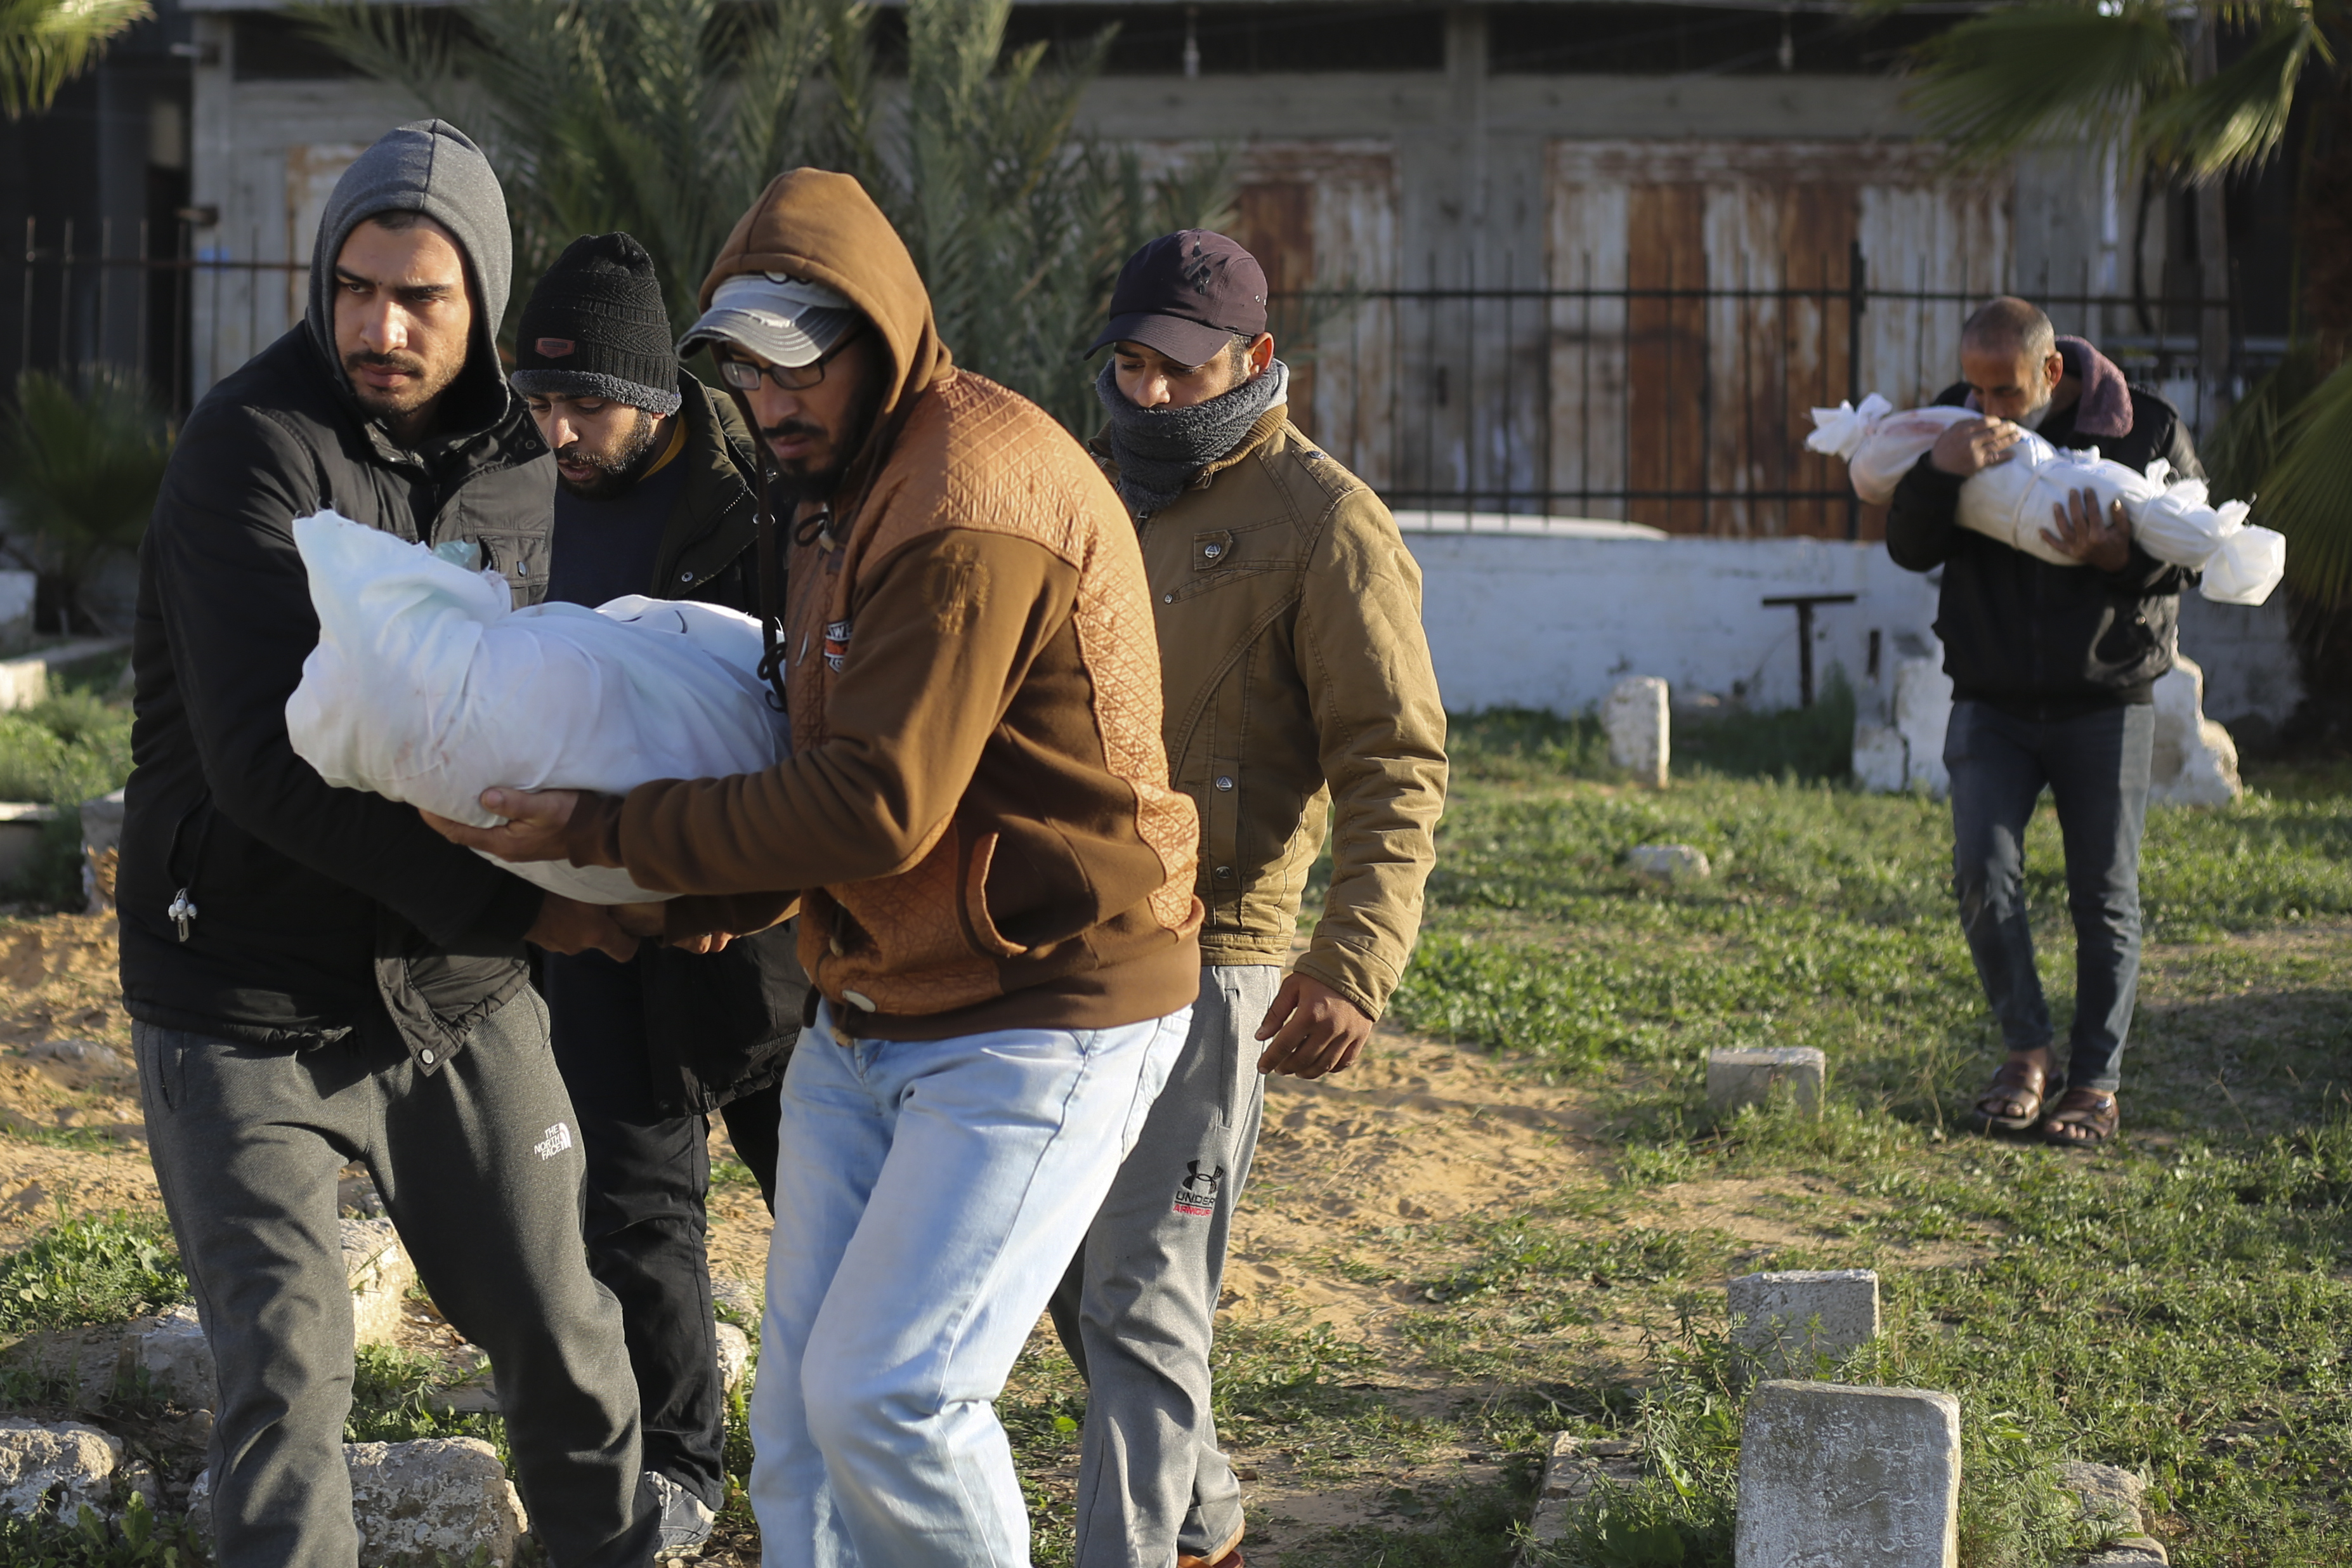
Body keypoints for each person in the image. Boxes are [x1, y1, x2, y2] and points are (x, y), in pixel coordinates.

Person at [424, 168, 1203, 1568]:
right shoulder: (828, 491)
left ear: (882, 337)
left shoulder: (968, 498)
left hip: (1044, 1005)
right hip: (877, 998)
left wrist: (600, 835)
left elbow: (876, 805)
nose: (771, 403)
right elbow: (808, 752)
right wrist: (673, 903)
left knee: (892, 1400)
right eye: (744, 372)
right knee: (797, 1438)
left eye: (801, 366)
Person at [118, 121, 657, 1568]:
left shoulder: (517, 462)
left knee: (566, 1337)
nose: (382, 325)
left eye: (422, 296)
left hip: (456, 987)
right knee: (286, 1393)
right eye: (356, 288)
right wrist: (528, 908)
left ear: (479, 301)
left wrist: (645, 859)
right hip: (241, 997)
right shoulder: (251, 449)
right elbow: (259, 770)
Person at [1045, 230, 1449, 1568]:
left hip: (1213, 959)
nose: (1151, 393)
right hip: (1048, 947)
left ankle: (1143, 1548)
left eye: (1181, 367)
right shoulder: (1080, 494)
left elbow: (1394, 757)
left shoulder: (1327, 524)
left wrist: (1354, 961)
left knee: (1146, 1293)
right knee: (1057, 1269)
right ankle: (1204, 1508)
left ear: (1257, 360)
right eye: (1130, 364)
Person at [507, 231, 809, 1558]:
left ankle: (862, 1437)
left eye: (590, 403)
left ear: (661, 394)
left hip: (744, 922)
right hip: (589, 921)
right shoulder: (514, 505)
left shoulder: (754, 518)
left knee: (817, 1185)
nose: (563, 428)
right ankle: (681, 1464)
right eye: (542, 400)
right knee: (634, 1204)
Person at [1886, 296, 2202, 1149]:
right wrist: (1939, 470)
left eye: (2005, 390)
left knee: (2104, 896)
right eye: (1976, 386)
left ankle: (2095, 1083)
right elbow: (1909, 545)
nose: (1987, 406)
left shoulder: (2147, 429)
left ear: (2051, 371)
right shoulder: (1955, 423)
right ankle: (2028, 1055)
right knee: (1981, 872)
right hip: (1990, 699)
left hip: (2105, 701)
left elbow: (2194, 561)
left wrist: (2120, 559)